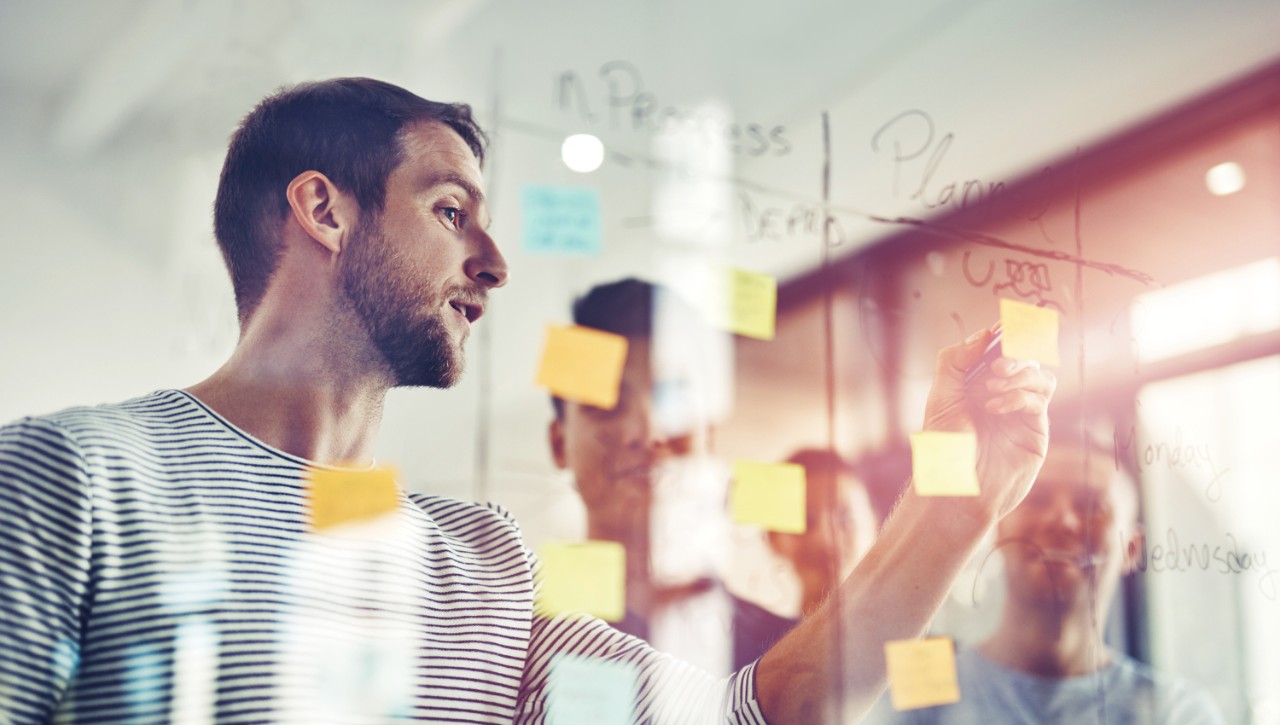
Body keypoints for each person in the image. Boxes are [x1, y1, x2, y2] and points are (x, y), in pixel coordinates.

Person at [0, 77, 1055, 724]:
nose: (494, 262)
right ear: (321, 208)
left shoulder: (481, 559)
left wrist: (952, 502)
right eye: (451, 209)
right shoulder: (74, 478)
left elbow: (758, 713)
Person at [883, 425, 1225, 724]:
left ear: (1130, 550)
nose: (1061, 520)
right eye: (1036, 499)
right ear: (999, 528)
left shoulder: (1175, 713)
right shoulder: (917, 690)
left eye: (1091, 506)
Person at [547, 278, 739, 676]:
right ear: (559, 443)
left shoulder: (780, 657)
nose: (647, 431)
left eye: (673, 399)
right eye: (607, 403)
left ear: (710, 433)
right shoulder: (515, 648)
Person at [732, 448, 879, 672]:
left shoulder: (910, 642)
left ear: (876, 525)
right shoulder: (754, 659)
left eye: (845, 518)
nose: (825, 538)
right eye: (804, 522)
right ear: (773, 537)